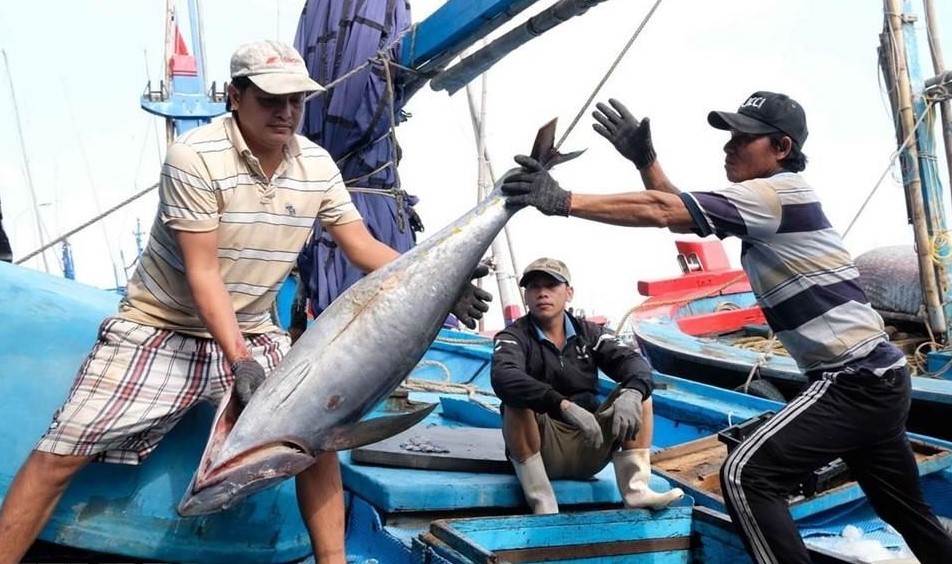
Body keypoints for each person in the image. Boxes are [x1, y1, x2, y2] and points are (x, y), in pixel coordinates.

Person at [0, 40, 489, 564]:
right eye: (271, 99)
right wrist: (239, 360)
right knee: (62, 450)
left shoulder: (316, 164)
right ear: (236, 96)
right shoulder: (194, 157)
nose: (286, 113)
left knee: (316, 444)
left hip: (255, 329)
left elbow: (362, 246)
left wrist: (439, 278)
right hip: (163, 325)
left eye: (296, 101)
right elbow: (203, 271)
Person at [499, 91, 952, 562]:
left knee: (746, 474)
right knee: (906, 511)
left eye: (743, 138)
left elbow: (662, 212)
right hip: (883, 378)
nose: (729, 146)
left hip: (851, 380)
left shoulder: (773, 195)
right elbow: (685, 212)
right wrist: (646, 160)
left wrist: (562, 200)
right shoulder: (769, 201)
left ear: (780, 147)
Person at [491, 257, 683, 515]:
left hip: (591, 444)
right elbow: (504, 376)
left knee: (639, 394)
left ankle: (637, 491)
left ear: (569, 292)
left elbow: (633, 362)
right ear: (526, 295)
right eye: (534, 287)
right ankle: (542, 502)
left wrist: (633, 392)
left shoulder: (589, 333)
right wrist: (562, 405)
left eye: (551, 285)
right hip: (543, 448)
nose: (542, 293)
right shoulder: (514, 336)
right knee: (514, 402)